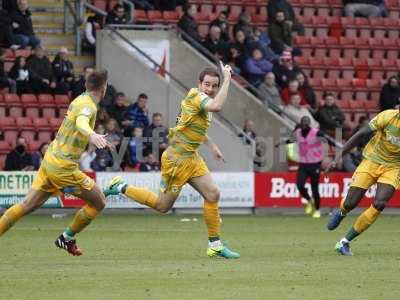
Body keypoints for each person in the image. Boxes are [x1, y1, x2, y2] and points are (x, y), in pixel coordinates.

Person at [104, 65, 240, 259]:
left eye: (214, 86)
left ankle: (215, 245)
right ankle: (120, 186)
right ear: (199, 84)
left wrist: (212, 146)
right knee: (162, 206)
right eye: (207, 85)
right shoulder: (197, 98)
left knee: (213, 194)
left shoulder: (203, 101)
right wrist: (227, 79)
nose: (210, 89)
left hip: (191, 157)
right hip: (176, 160)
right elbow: (217, 106)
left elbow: (195, 128)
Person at [0, 70, 110, 257]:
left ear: (86, 85)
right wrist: (91, 134)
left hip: (50, 159)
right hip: (63, 167)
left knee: (26, 205)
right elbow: (83, 121)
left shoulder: (79, 99)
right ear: (104, 88)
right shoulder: (88, 105)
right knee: (99, 202)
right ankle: (66, 238)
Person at [326, 108, 400, 256]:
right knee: (350, 203)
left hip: (394, 167)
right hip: (371, 160)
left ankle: (344, 242)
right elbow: (360, 134)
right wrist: (338, 157)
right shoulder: (387, 116)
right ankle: (341, 211)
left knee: (380, 203)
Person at [276, 116, 326, 218]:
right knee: (299, 185)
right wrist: (280, 143)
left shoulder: (315, 132)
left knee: (315, 188)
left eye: (307, 122)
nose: (305, 124)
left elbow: (325, 139)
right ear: (301, 123)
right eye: (303, 122)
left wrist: (324, 141)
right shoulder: (298, 132)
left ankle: (317, 210)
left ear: (309, 123)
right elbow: (290, 140)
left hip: (315, 163)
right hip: (303, 164)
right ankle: (309, 199)